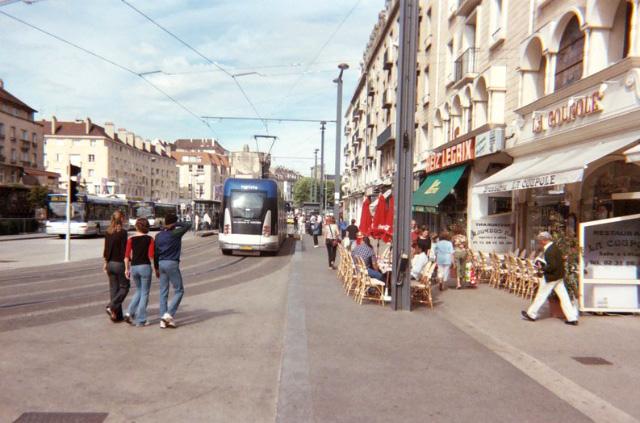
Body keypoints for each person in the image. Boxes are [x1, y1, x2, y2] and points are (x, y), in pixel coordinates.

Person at [522, 232, 578, 325]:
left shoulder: (549, 251)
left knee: (541, 295)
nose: (539, 242)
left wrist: (542, 268)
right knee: (564, 298)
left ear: (544, 240)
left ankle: (531, 314)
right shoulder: (555, 247)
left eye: (540, 240)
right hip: (558, 277)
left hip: (551, 277)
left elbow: (552, 266)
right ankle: (572, 318)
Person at [154, 213, 192, 329]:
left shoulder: (158, 235)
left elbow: (156, 253)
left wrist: (156, 268)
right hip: (172, 263)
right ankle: (168, 314)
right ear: (174, 224)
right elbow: (188, 225)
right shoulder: (175, 233)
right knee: (179, 290)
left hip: (161, 264)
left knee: (163, 292)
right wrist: (176, 223)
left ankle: (163, 319)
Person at [124, 218, 155, 327]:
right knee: (145, 293)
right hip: (145, 267)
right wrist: (156, 268)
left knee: (138, 290)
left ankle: (129, 313)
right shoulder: (150, 239)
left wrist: (126, 269)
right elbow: (151, 256)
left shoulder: (130, 239)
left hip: (134, 267)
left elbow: (127, 256)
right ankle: (141, 319)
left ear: (136, 227)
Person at [103, 210, 129, 322]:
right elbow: (124, 251)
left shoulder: (108, 232)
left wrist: (105, 263)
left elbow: (106, 249)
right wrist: (128, 266)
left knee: (114, 290)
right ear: (121, 219)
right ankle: (111, 306)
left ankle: (116, 316)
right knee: (125, 287)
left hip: (110, 264)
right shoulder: (123, 232)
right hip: (119, 264)